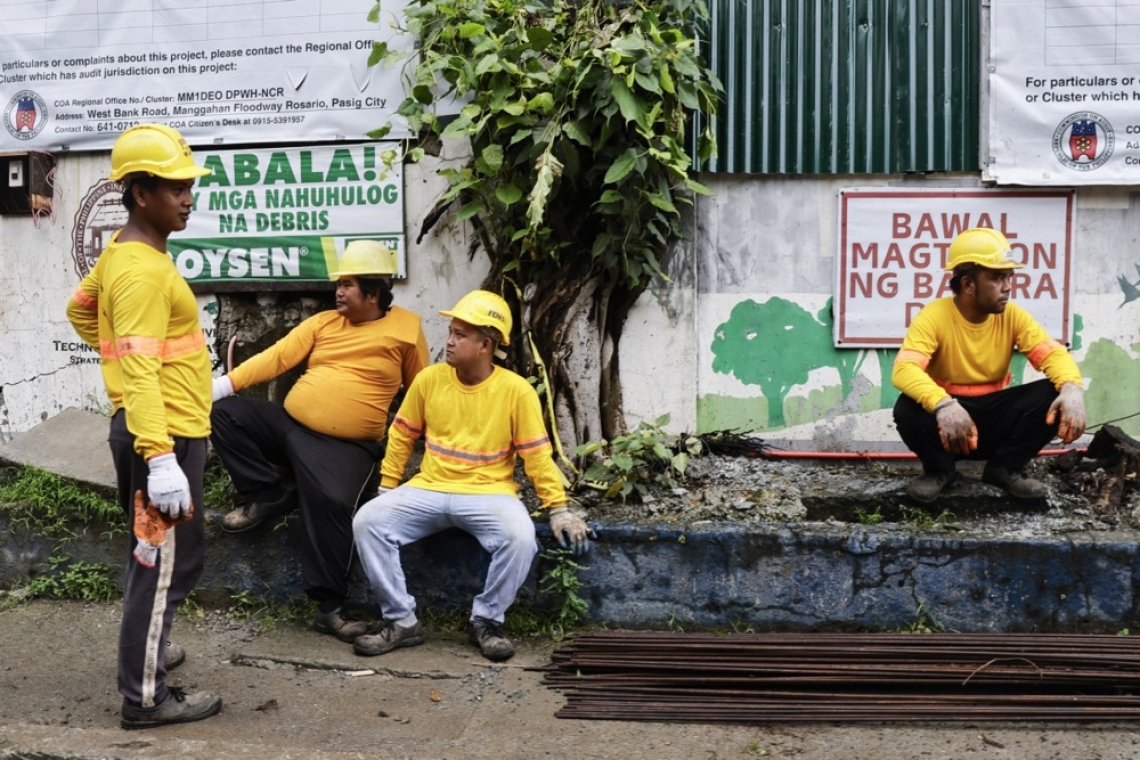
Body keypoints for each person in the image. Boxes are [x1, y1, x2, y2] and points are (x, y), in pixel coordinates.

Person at [66, 124, 222, 729]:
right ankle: (146, 697)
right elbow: (136, 362)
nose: (188, 198)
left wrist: (113, 346)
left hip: (162, 430)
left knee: (162, 560)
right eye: (176, 188)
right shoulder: (140, 271)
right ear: (139, 194)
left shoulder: (126, 258)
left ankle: (150, 653)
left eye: (189, 187)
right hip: (164, 436)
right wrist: (160, 458)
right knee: (163, 564)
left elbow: (79, 311)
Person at [351, 290, 592, 662]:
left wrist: (557, 508)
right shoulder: (429, 380)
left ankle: (486, 621)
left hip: (489, 493)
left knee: (521, 538)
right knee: (368, 520)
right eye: (450, 332)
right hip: (429, 488)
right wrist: (387, 486)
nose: (449, 341)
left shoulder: (517, 391)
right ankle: (402, 621)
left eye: (460, 335)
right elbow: (401, 433)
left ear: (486, 345)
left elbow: (537, 456)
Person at [209, 240, 429, 643]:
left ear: (373, 293)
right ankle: (268, 493)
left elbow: (422, 391)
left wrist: (432, 446)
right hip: (291, 428)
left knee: (330, 504)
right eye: (339, 283)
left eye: (347, 284)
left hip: (346, 448)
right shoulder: (324, 323)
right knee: (226, 414)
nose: (338, 292)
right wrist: (220, 386)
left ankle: (330, 609)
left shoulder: (406, 330)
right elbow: (276, 357)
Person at [892, 227, 1086, 503]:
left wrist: (1072, 388)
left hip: (994, 419)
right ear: (968, 284)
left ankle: (1004, 468)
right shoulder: (933, 316)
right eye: (997, 278)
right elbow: (904, 370)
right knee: (907, 407)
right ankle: (939, 470)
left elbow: (1052, 355)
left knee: (1056, 394)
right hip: (948, 425)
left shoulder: (1013, 316)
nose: (1007, 287)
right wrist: (944, 405)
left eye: (1009, 277)